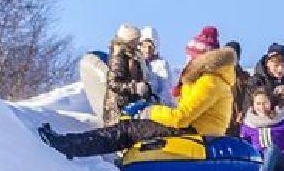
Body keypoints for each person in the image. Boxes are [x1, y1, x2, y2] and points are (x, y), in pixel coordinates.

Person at [36, 45, 237, 159]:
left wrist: (149, 112)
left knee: (126, 130)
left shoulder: (209, 82)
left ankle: (66, 145)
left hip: (193, 132)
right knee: (128, 129)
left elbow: (181, 118)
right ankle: (73, 145)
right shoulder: (217, 81)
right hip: (199, 130)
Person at [102, 24, 152, 126]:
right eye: (136, 39)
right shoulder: (118, 56)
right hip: (117, 108)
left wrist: (147, 90)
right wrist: (134, 87)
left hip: (130, 107)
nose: (138, 42)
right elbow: (113, 82)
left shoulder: (133, 56)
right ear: (129, 40)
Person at [139, 26, 172, 106]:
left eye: (150, 47)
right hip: (139, 103)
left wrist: (158, 100)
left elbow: (166, 88)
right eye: (144, 46)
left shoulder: (161, 64)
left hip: (156, 106)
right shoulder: (137, 61)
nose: (147, 50)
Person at [224, 41, 251, 136]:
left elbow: (250, 98)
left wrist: (244, 112)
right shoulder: (215, 77)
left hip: (238, 123)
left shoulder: (245, 78)